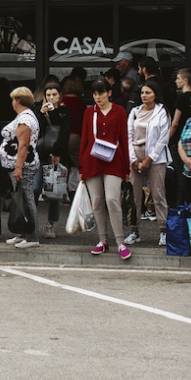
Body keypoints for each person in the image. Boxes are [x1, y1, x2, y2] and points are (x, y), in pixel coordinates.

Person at [79, 78, 132, 260]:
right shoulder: (89, 112)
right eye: (94, 94)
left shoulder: (119, 111)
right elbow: (84, 139)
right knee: (97, 201)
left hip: (114, 160)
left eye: (101, 93)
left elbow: (124, 139)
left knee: (112, 199)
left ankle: (120, 241)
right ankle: (102, 240)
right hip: (91, 160)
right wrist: (81, 167)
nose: (97, 97)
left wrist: (127, 167)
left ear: (110, 93)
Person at [128, 80, 171, 245]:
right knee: (135, 196)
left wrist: (149, 159)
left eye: (148, 93)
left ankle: (163, 231)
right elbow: (129, 135)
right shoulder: (135, 112)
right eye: (143, 93)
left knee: (158, 194)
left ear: (155, 94)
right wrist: (133, 159)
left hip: (156, 157)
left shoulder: (162, 112)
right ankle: (134, 231)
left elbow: (163, 138)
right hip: (136, 154)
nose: (144, 96)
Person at [0, 88, 42, 249]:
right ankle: (22, 233)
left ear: (18, 100)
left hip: (24, 166)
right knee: (21, 200)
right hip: (21, 164)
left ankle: (32, 236)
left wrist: (18, 168)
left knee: (27, 199)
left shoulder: (25, 120)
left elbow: (23, 145)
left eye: (13, 99)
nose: (12, 103)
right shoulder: (24, 117)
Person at [38, 81, 73, 237]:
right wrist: (41, 114)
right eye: (48, 95)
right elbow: (36, 130)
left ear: (60, 96)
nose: (51, 98)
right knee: (35, 186)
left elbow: (65, 133)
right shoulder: (40, 110)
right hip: (41, 153)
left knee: (55, 191)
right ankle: (31, 223)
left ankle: (51, 224)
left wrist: (57, 152)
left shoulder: (65, 112)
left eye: (54, 95)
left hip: (57, 153)